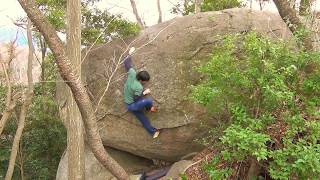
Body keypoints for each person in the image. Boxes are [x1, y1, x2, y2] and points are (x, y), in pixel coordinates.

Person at [123, 47, 160, 138]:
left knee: (143, 118)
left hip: (128, 103)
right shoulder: (139, 87)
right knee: (148, 101)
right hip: (133, 105)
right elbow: (137, 98)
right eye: (145, 81)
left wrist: (130, 53)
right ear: (141, 80)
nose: (145, 83)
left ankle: (153, 132)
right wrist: (144, 92)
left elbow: (126, 62)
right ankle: (149, 108)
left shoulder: (132, 73)